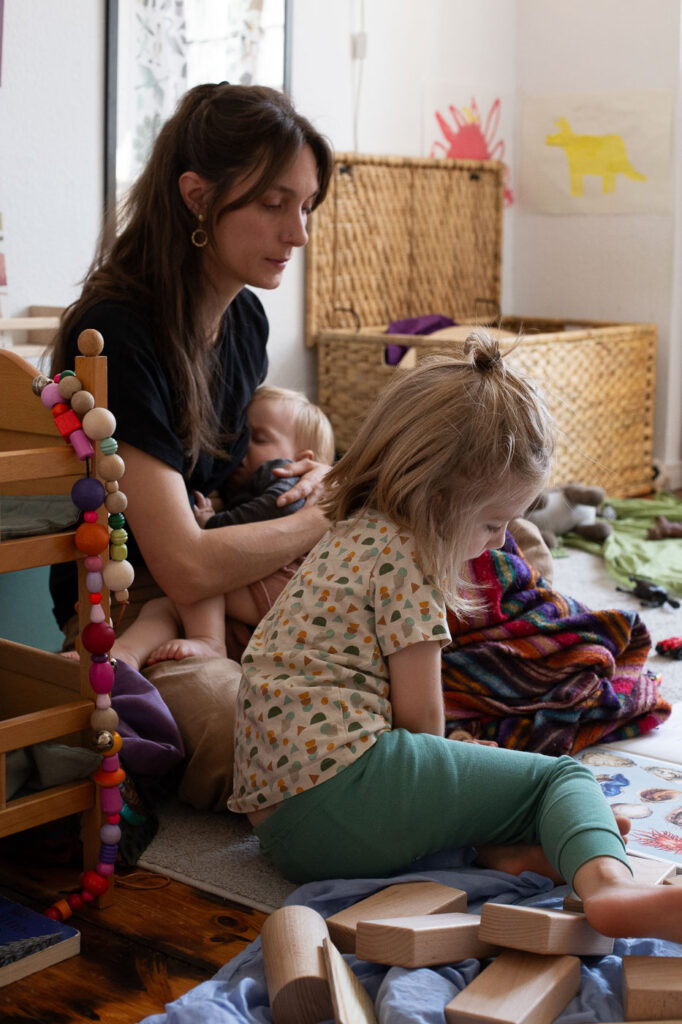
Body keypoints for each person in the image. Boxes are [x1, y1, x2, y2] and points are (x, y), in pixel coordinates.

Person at [228, 334, 682, 945]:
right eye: (494, 523)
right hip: (338, 794)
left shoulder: (349, 533)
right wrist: (470, 769)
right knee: (560, 779)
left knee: (491, 787)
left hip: (281, 825)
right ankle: (612, 892)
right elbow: (420, 724)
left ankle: (520, 852)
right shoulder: (409, 554)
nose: (499, 544)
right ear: (437, 500)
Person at [48, 83, 334, 810]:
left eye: (304, 206)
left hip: (222, 581)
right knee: (263, 727)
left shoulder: (244, 326)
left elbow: (221, 503)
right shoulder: (115, 331)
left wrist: (298, 480)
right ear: (198, 197)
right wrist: (324, 516)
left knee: (492, 545)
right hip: (135, 607)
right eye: (273, 204)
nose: (297, 234)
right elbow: (178, 560)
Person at [107, 385, 335, 669]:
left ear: (304, 460)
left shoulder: (289, 480)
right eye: (242, 435)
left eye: (259, 438)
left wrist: (211, 524)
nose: (243, 446)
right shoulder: (245, 487)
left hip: (287, 586)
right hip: (265, 597)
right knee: (162, 607)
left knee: (202, 574)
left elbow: (276, 508)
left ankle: (209, 642)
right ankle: (123, 655)